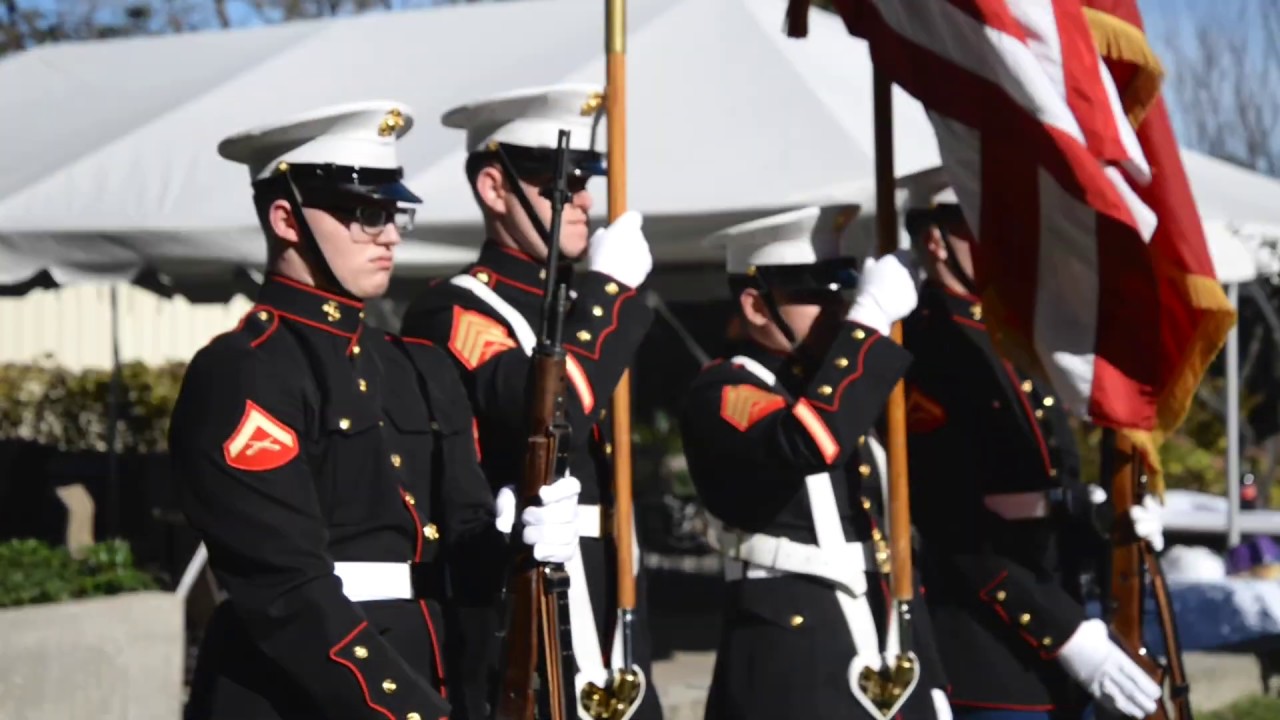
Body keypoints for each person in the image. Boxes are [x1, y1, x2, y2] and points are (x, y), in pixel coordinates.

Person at [170, 100, 582, 720]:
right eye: (365, 214)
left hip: (430, 669)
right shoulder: (245, 372)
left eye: (392, 213)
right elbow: (287, 592)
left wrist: (516, 540)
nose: (389, 234)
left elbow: (461, 546)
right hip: (306, 693)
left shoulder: (419, 366)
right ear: (286, 219)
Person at [398, 84, 662, 720]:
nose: (584, 201)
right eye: (560, 182)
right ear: (496, 188)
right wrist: (605, 294)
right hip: (524, 595)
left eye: (586, 180)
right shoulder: (454, 307)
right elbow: (549, 403)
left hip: (611, 591)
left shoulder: (579, 308)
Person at [899, 174, 1167, 720]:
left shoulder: (1010, 334)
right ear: (934, 241)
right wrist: (1066, 635)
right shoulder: (928, 347)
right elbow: (954, 527)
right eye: (979, 227)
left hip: (1053, 617)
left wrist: (1108, 521)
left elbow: (1048, 486)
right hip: (987, 651)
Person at [679, 205, 954, 720]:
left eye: (842, 290)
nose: (836, 307)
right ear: (758, 307)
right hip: (795, 664)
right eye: (813, 293)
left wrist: (932, 680)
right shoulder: (726, 388)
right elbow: (805, 442)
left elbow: (893, 550)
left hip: (887, 648)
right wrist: (869, 320)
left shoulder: (842, 391)